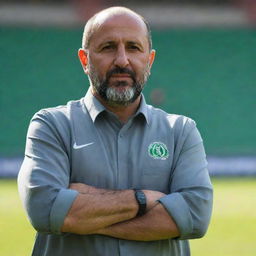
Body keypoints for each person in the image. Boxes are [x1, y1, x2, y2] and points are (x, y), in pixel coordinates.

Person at [18, 6, 213, 256]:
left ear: (149, 60)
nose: (122, 60)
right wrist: (146, 199)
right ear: (85, 60)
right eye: (108, 47)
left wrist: (81, 213)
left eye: (133, 47)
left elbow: (195, 217)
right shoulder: (51, 125)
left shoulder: (181, 131)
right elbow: (45, 211)